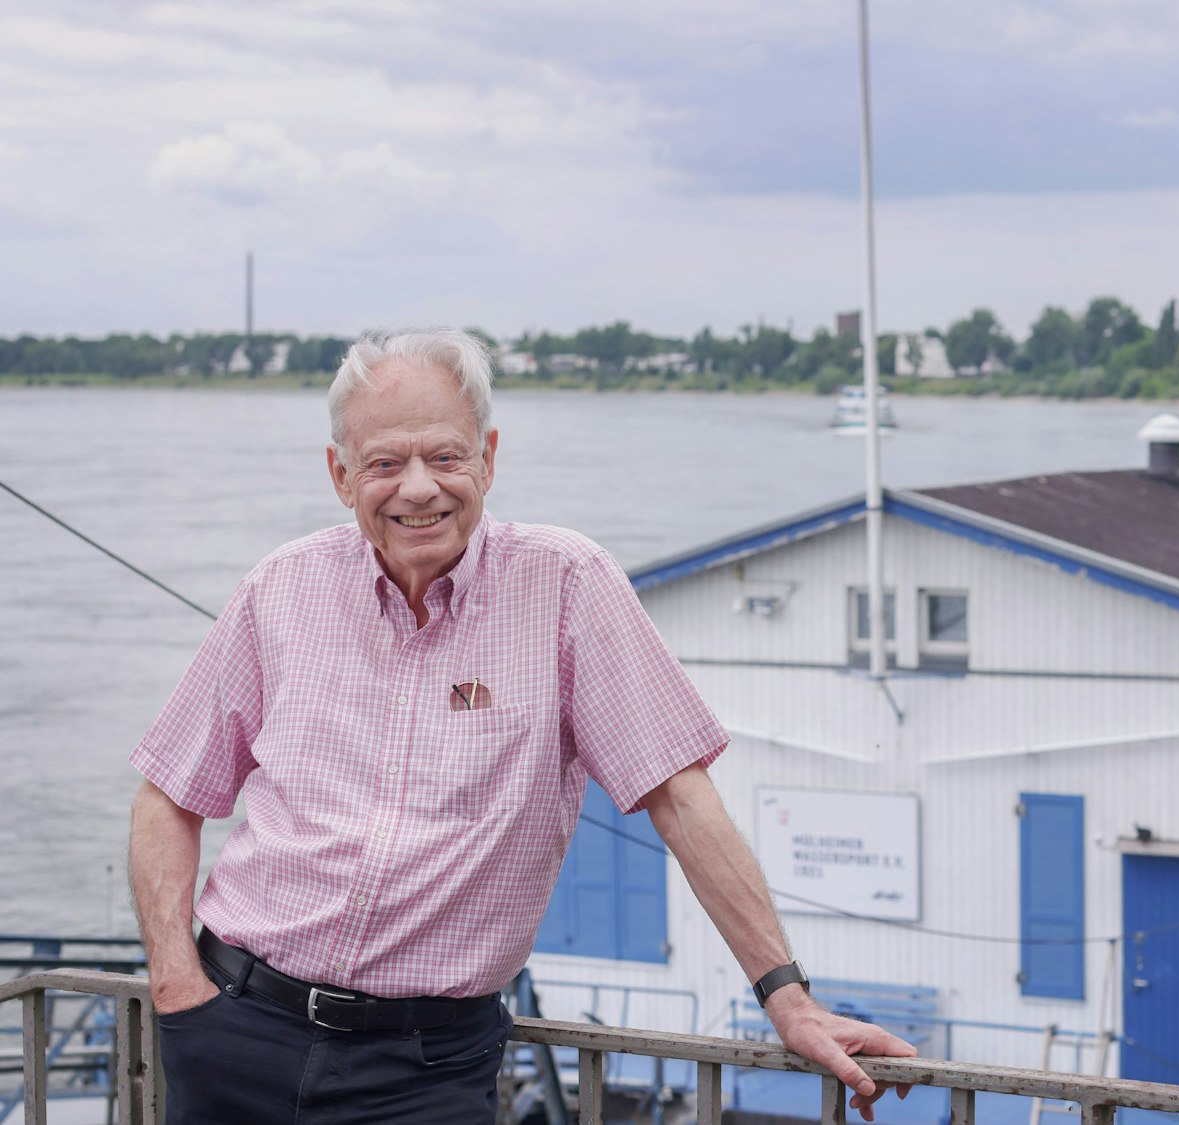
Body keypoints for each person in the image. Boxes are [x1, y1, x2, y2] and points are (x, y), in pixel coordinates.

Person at [127, 328, 915, 1124]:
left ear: (488, 458)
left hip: (421, 1070)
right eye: (384, 462)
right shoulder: (282, 587)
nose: (419, 488)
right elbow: (168, 794)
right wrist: (175, 985)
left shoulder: (567, 585)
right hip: (234, 1027)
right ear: (341, 474)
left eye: (445, 456)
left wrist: (788, 999)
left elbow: (680, 794)